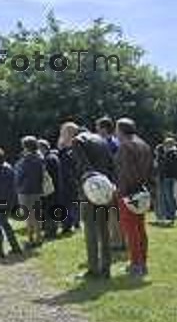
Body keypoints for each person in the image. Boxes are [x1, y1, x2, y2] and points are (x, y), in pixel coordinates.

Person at [64, 122, 115, 279]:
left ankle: (93, 268)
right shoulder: (101, 139)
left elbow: (84, 167)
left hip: (91, 189)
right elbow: (111, 164)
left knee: (90, 229)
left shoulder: (77, 141)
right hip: (105, 187)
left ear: (70, 132)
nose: (63, 137)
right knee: (103, 228)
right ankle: (106, 267)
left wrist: (87, 187)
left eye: (63, 133)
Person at [114, 118, 153, 277]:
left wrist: (120, 192)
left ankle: (136, 264)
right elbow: (150, 168)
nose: (115, 132)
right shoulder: (143, 144)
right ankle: (141, 262)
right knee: (139, 228)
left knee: (131, 230)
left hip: (129, 192)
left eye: (116, 129)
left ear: (120, 130)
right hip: (142, 190)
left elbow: (126, 172)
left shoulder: (125, 146)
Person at [96, 116, 124, 251]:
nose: (96, 130)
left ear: (103, 129)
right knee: (114, 213)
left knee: (113, 213)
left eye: (98, 128)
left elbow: (112, 165)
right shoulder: (115, 142)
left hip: (111, 182)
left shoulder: (110, 144)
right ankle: (119, 240)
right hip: (114, 181)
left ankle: (116, 241)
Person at [15, 136, 44, 249]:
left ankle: (31, 239)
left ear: (26, 147)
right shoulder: (39, 158)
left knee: (28, 216)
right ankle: (38, 238)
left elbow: (19, 176)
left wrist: (17, 186)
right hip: (37, 190)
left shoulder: (25, 160)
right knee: (36, 215)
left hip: (25, 191)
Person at [38, 139, 62, 240]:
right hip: (55, 187)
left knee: (49, 210)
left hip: (50, 188)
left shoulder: (48, 159)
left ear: (42, 148)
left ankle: (50, 231)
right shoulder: (53, 157)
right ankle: (52, 230)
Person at [155, 138, 177, 225]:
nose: (164, 145)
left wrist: (161, 158)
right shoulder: (167, 153)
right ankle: (167, 215)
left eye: (166, 144)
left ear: (170, 144)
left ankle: (171, 216)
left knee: (169, 197)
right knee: (165, 197)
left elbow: (167, 165)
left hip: (168, 177)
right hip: (164, 177)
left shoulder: (173, 153)